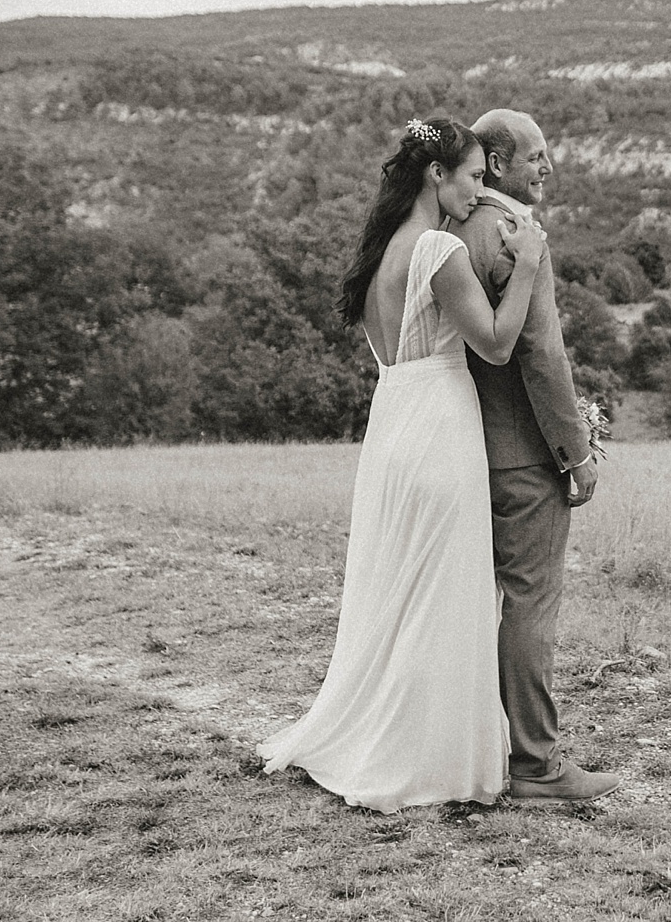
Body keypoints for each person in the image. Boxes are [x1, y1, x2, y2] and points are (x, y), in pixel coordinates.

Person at [259, 117, 547, 812]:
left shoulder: (378, 253)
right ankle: (424, 755)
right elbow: (498, 345)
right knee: (441, 591)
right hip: (441, 427)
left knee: (402, 587)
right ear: (435, 175)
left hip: (392, 425)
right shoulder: (439, 249)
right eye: (474, 178)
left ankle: (388, 731)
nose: (480, 195)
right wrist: (530, 263)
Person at [451, 107, 620, 802]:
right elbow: (541, 354)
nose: (547, 167)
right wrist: (574, 450)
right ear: (496, 163)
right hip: (521, 454)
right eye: (536, 156)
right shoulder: (517, 236)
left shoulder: (449, 226)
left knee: (469, 602)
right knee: (530, 603)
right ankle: (535, 765)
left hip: (460, 448)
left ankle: (473, 745)